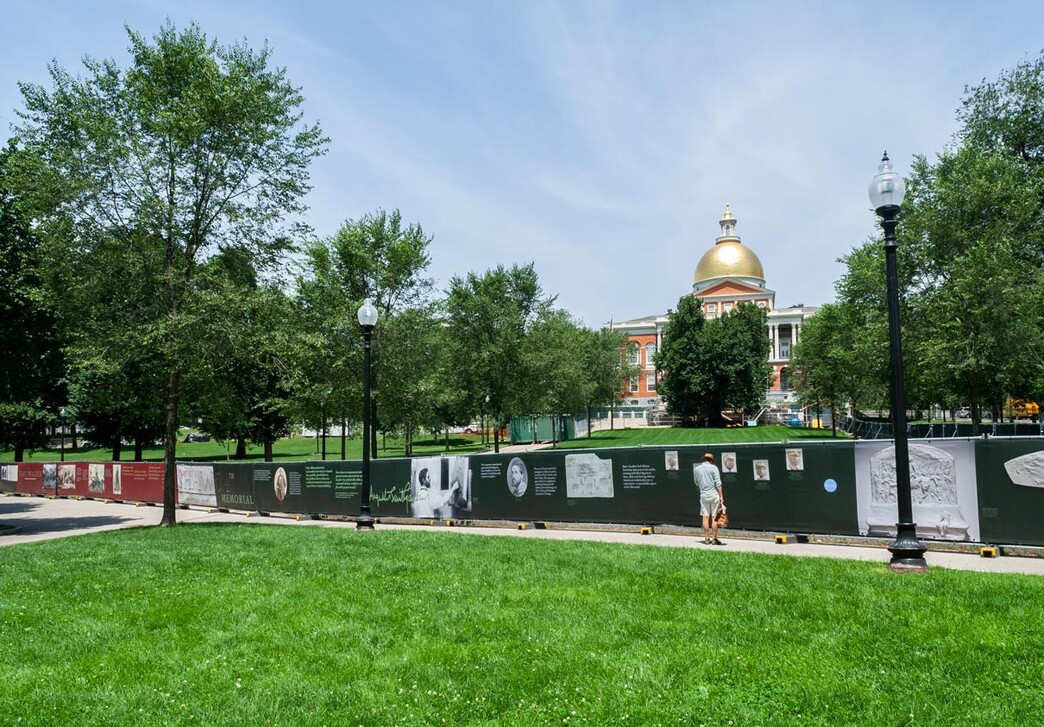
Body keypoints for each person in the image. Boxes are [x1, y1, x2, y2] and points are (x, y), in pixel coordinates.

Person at [693, 452, 725, 545]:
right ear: (711, 460)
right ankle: (714, 538)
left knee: (705, 517)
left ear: (703, 459)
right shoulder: (714, 468)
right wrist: (721, 496)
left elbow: (696, 482)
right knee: (715, 517)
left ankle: (706, 538)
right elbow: (718, 484)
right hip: (714, 494)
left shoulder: (696, 469)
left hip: (703, 494)